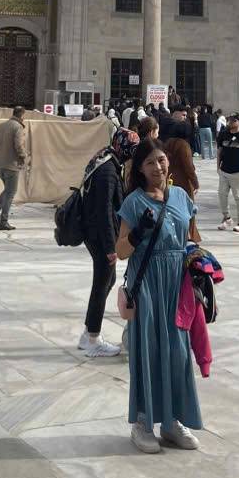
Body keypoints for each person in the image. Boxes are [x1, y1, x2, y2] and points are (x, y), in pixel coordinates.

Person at [115, 138, 202, 453]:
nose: (158, 167)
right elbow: (121, 251)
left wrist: (200, 264)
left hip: (176, 285)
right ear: (140, 168)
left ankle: (171, 421)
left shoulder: (180, 196)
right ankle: (142, 422)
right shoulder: (134, 203)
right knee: (148, 351)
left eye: (161, 160)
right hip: (148, 283)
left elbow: (190, 237)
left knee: (178, 353)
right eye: (150, 162)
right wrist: (138, 233)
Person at [78, 127, 138, 357]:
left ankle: (89, 332)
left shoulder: (106, 160)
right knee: (102, 282)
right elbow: (104, 212)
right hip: (99, 236)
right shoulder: (108, 172)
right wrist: (109, 247)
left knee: (106, 280)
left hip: (96, 233)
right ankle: (92, 337)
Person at [0, 106, 27, 231]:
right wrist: (23, 156)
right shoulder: (18, 127)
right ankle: (3, 221)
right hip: (11, 165)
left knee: (7, 191)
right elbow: (18, 145)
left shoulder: (1, 125)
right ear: (22, 115)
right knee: (11, 192)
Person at [163, 136, 201, 243]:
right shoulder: (183, 145)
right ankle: (189, 237)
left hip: (170, 179)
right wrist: (195, 183)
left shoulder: (167, 143)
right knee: (188, 211)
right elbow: (189, 167)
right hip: (184, 182)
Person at [216, 113, 239, 232]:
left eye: (233, 120)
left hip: (238, 171)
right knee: (222, 194)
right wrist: (218, 166)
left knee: (238, 197)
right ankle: (227, 218)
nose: (230, 122)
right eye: (229, 120)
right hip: (224, 170)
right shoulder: (223, 134)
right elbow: (219, 150)